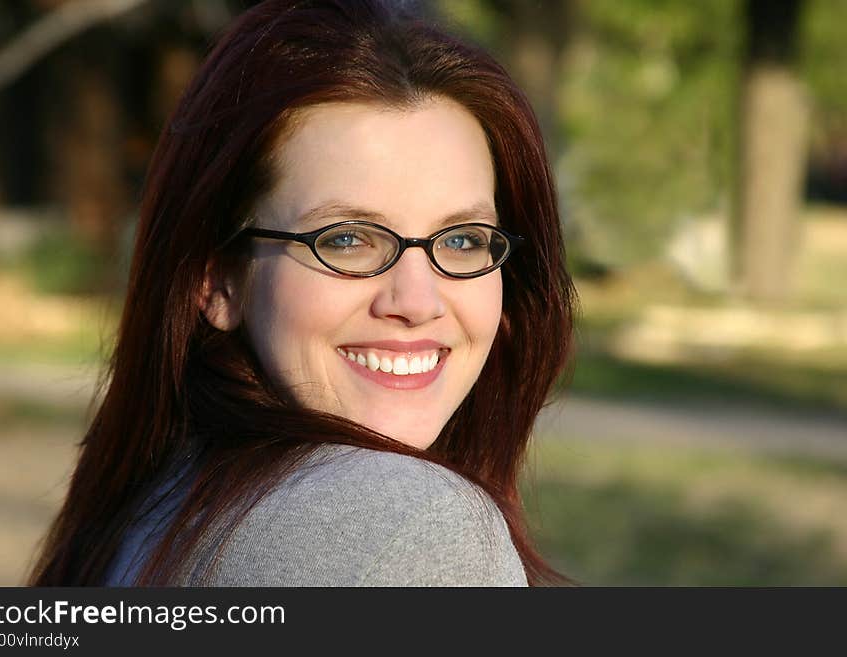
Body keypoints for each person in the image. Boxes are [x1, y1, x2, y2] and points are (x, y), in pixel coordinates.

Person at [29, 0, 575, 587]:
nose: (417, 301)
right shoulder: (414, 526)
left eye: (464, 239)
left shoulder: (156, 501)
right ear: (216, 279)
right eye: (345, 239)